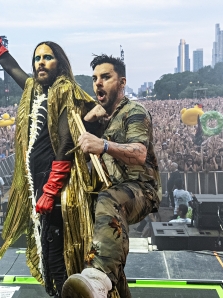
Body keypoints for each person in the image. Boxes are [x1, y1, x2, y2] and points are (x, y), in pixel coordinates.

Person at [0, 3, 98, 296]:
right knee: (43, 244)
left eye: (48, 57)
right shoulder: (32, 89)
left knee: (56, 249)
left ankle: (63, 292)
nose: (41, 62)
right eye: (37, 58)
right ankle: (57, 291)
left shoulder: (64, 89)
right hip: (35, 181)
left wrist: (52, 188)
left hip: (55, 182)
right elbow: (11, 66)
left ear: (60, 64)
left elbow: (66, 141)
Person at [65, 55, 161, 297]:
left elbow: (139, 153)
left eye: (106, 77)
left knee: (108, 200)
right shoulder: (102, 119)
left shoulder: (134, 111)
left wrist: (104, 145)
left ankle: (97, 278)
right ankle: (109, 284)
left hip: (141, 189)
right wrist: (88, 123)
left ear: (122, 83)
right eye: (95, 78)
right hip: (115, 191)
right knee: (108, 253)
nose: (98, 83)